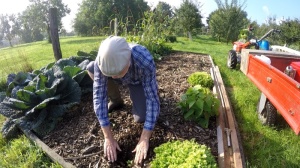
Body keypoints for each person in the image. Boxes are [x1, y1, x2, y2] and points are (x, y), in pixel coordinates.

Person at [86, 36, 160, 165]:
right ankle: (116, 100)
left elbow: (152, 100)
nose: (114, 77)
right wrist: (108, 137)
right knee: (90, 67)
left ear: (128, 62)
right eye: (111, 75)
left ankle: (135, 96)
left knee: (141, 117)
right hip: (108, 72)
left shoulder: (144, 60)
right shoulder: (101, 62)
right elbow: (99, 98)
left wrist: (144, 139)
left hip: (137, 81)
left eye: (118, 73)